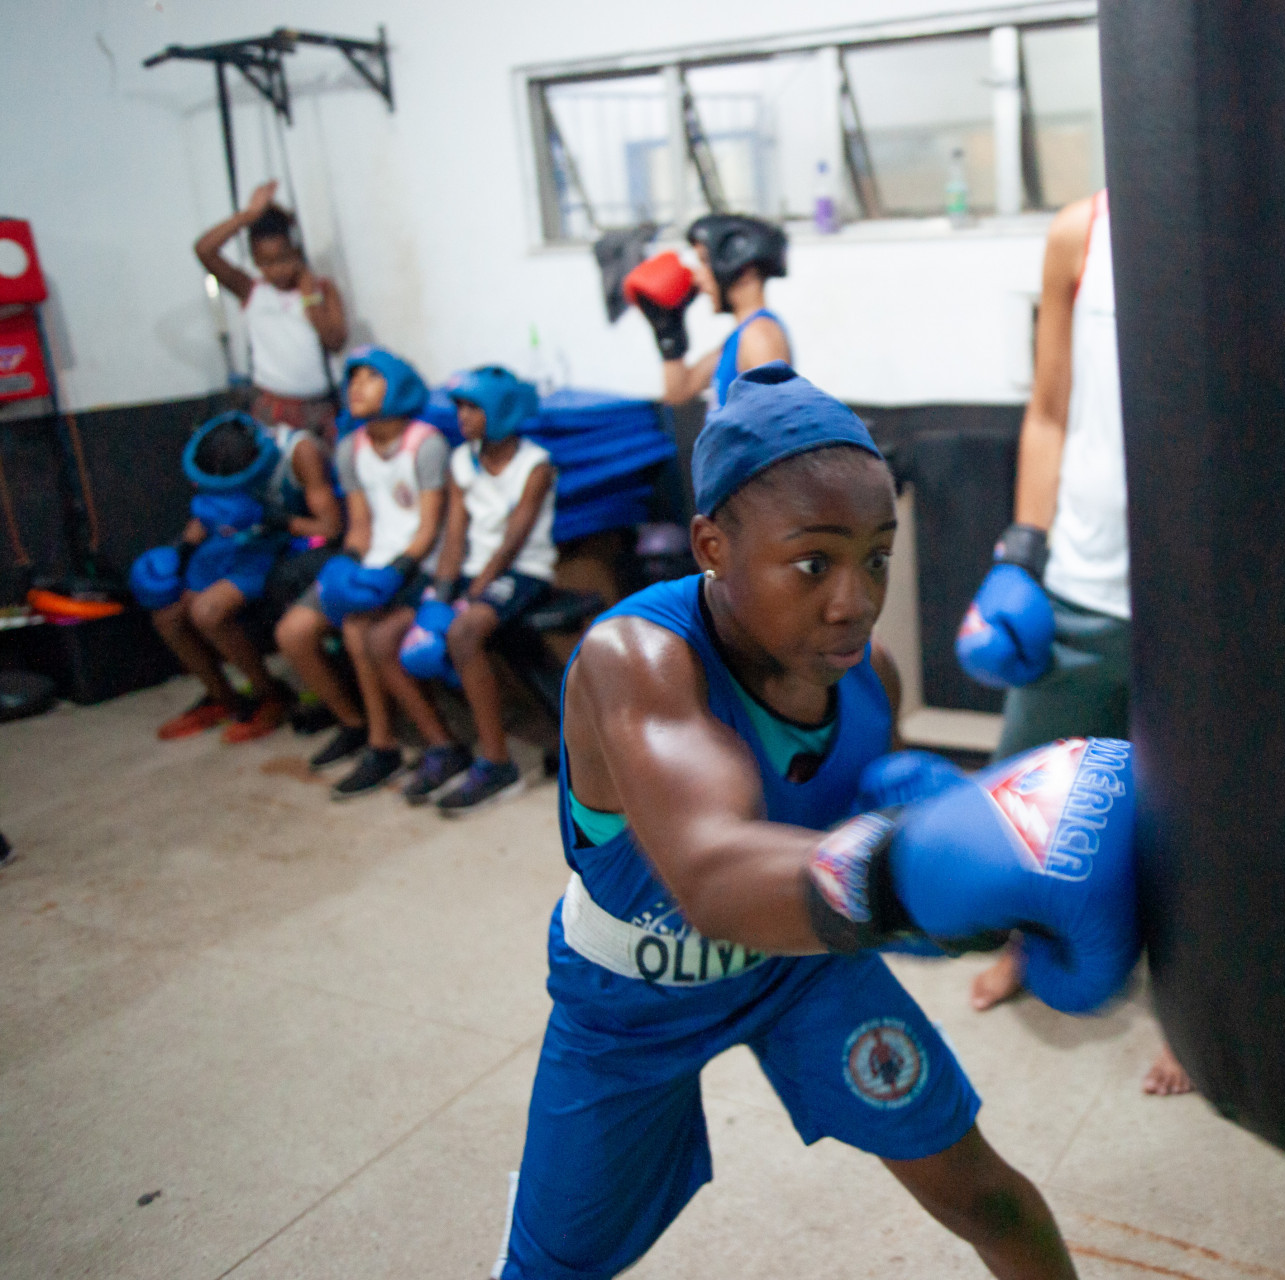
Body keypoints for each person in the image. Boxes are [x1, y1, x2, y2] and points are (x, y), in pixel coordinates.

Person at [500, 361, 1140, 1279]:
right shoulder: (634, 661)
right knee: (551, 1270)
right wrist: (914, 870)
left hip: (797, 974)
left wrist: (987, 894)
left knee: (986, 1197)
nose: (855, 599)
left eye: (875, 556)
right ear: (712, 545)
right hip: (628, 1002)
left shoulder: (865, 680)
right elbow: (715, 877)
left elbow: (869, 835)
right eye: (814, 562)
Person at [955, 191, 1192, 1096]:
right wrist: (1021, 548)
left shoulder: (1249, 213)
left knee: (1196, 819)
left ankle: (1200, 1016)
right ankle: (1026, 945)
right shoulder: (1082, 230)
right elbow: (1050, 406)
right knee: (1031, 784)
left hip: (1204, 598)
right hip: (1082, 576)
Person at [368, 366, 556, 815]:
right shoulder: (460, 461)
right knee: (381, 638)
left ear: (500, 410)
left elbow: (514, 539)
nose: (462, 417)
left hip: (521, 572)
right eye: (459, 407)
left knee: (464, 633)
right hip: (473, 572)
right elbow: (455, 536)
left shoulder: (536, 465)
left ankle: (497, 763)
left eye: (473, 407)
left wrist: (471, 596)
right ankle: (444, 747)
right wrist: (440, 593)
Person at [274, 347, 449, 800]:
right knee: (293, 633)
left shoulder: (425, 443)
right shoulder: (351, 448)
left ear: (399, 386)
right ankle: (353, 724)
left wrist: (397, 570)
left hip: (414, 562)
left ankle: (383, 744)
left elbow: (430, 525)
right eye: (352, 379)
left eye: (371, 378)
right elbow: (361, 524)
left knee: (357, 630)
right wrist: (348, 563)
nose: (356, 387)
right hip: (371, 559)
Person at [134, 410, 341, 742]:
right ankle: (224, 699)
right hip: (239, 542)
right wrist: (180, 553)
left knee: (208, 611)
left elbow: (331, 528)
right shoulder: (220, 451)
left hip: (288, 544)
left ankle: (271, 695)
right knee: (167, 611)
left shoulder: (298, 454)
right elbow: (208, 513)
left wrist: (277, 519)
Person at [195, 181, 347, 436]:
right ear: (255, 261)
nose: (276, 270)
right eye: (265, 263)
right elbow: (204, 250)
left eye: (284, 259)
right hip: (272, 407)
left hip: (319, 407)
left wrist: (309, 297)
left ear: (297, 250)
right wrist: (249, 216)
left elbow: (335, 342)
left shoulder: (322, 289)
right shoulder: (253, 291)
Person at [625, 213, 792, 409]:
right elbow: (679, 392)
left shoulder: (760, 336)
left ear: (741, 265)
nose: (697, 277)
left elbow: (776, 425)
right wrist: (668, 333)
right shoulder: (739, 339)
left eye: (704, 261)